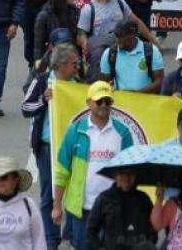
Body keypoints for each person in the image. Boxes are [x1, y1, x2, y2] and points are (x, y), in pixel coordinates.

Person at [52, 81, 136, 250]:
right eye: (99, 101)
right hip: (82, 209)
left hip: (114, 209)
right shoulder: (75, 131)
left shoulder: (123, 133)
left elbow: (130, 172)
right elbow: (62, 170)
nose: (104, 105)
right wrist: (57, 206)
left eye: (108, 101)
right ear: (88, 102)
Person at [21, 42, 80, 249]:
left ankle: (70, 234)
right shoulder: (42, 81)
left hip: (73, 148)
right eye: (73, 63)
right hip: (47, 147)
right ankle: (51, 238)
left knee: (74, 192)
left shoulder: (78, 84)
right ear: (60, 65)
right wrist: (43, 100)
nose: (77, 66)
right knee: (49, 194)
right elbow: (26, 108)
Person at [86, 167, 157, 249]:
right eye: (122, 173)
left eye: (130, 173)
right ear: (115, 175)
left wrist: (149, 244)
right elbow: (90, 231)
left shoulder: (144, 198)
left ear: (135, 175)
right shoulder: (105, 198)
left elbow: (153, 227)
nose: (126, 177)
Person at [99, 20, 164, 93]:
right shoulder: (109, 54)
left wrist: (135, 95)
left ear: (132, 34)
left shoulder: (151, 51)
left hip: (147, 101)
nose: (117, 39)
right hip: (120, 102)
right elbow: (104, 83)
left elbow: (160, 82)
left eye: (120, 35)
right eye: (116, 35)